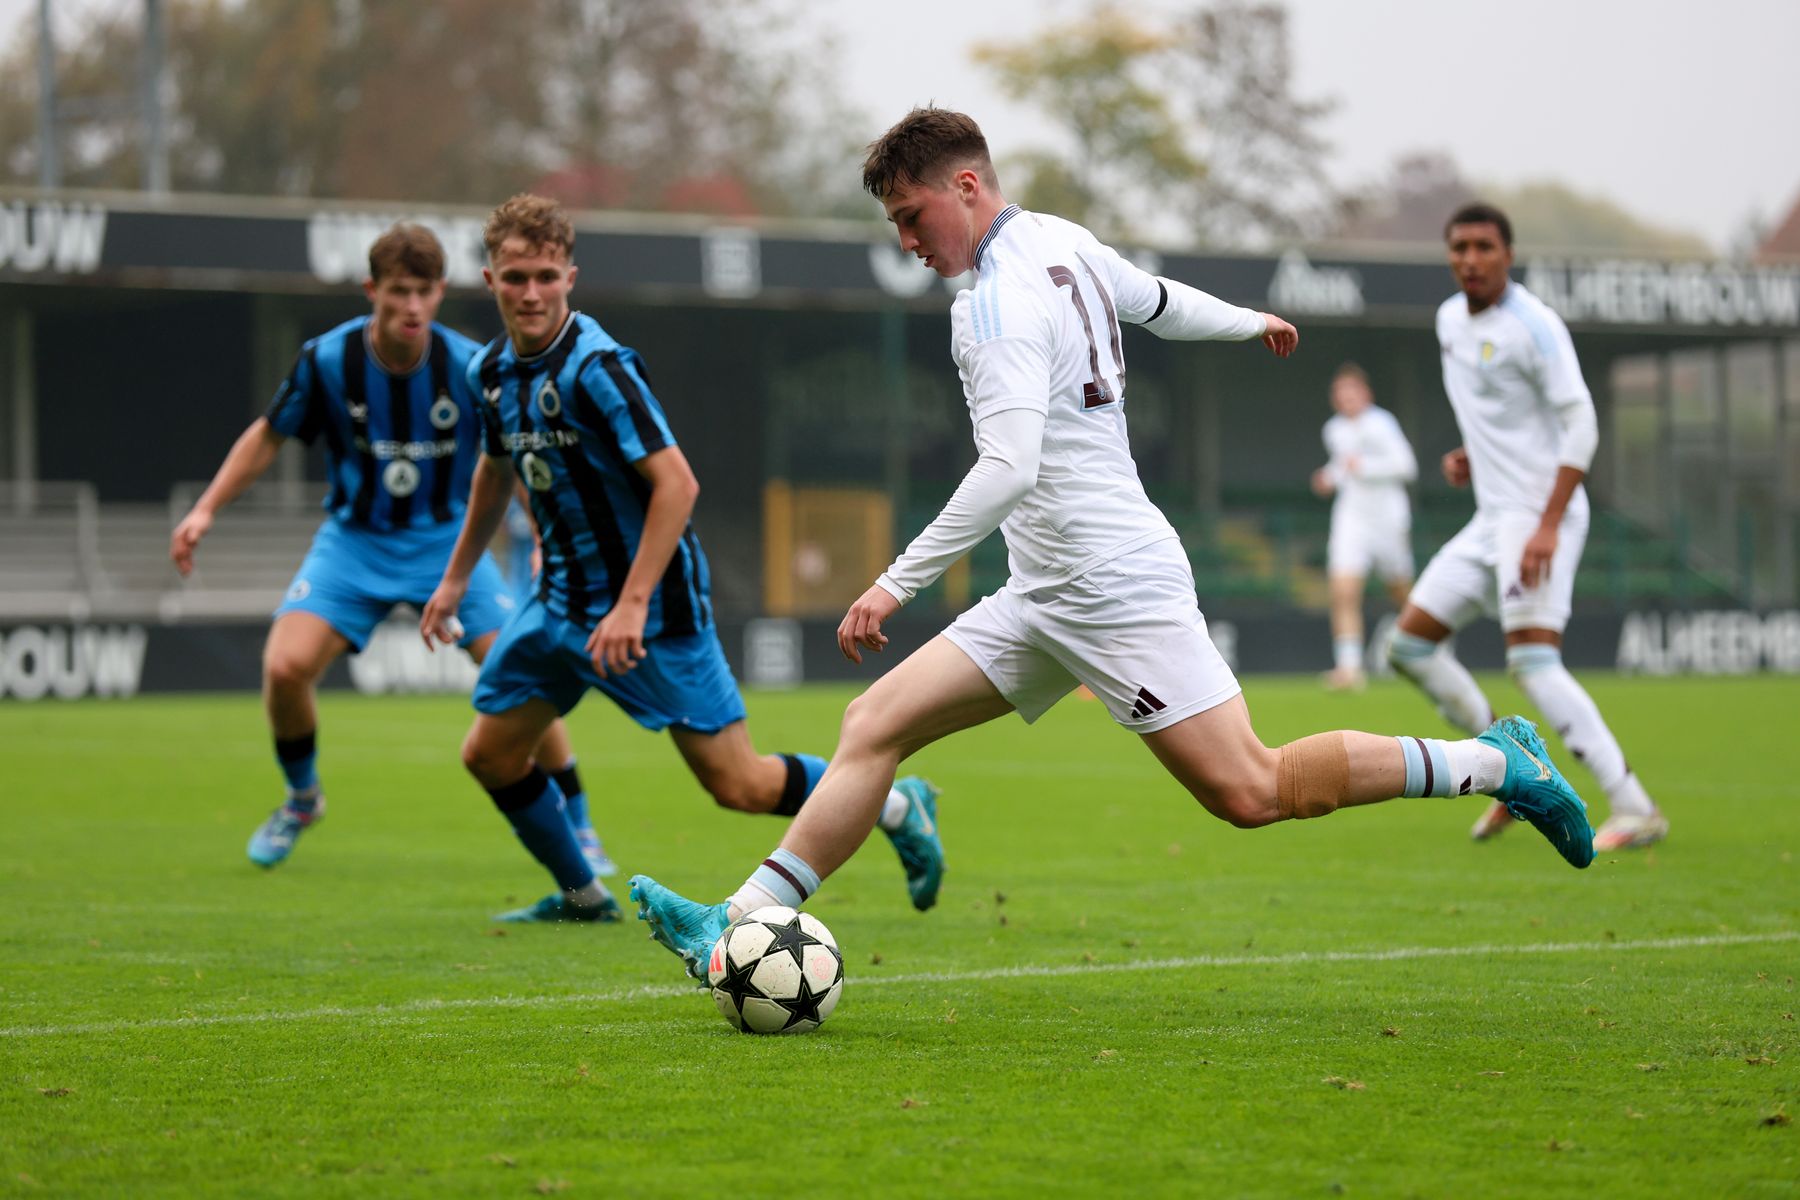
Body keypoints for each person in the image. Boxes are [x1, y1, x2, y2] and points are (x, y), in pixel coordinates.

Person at [627, 108, 1596, 980]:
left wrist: (891, 583)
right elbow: (1160, 301)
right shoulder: (1060, 239)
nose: (908, 241)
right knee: (872, 727)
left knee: (1251, 790)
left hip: (1111, 583)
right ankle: (739, 919)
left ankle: (1498, 764)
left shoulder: (993, 305)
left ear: (967, 188)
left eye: (912, 217)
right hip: (1044, 588)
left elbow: (1008, 466)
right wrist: (1248, 322)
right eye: (895, 225)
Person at [419, 194, 941, 924]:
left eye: (544, 275)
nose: (531, 292)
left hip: (654, 611)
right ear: (490, 279)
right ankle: (581, 896)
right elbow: (494, 472)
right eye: (514, 278)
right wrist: (453, 581)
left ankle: (894, 805)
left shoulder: (599, 367)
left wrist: (631, 604)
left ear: (569, 276)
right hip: (560, 602)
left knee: (741, 786)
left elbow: (677, 485)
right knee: (491, 753)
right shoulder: (490, 372)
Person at [170, 223, 605, 877]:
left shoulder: (471, 366)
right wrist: (205, 508)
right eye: (399, 291)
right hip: (354, 543)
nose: (411, 307)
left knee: (520, 672)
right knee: (285, 668)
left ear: (440, 293)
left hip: (447, 542)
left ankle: (578, 819)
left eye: (425, 292)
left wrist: (542, 538)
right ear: (373, 289)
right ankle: (302, 799)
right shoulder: (328, 360)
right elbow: (267, 436)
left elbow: (514, 457)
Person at [1385, 203, 1668, 854]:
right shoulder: (1449, 320)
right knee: (1408, 648)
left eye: (1484, 246)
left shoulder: (1535, 325)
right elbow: (1501, 415)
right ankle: (1508, 765)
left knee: (1535, 664)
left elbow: (1581, 425)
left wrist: (1546, 525)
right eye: (1459, 247)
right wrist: (1471, 454)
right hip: (1490, 518)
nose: (1470, 258)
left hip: (1543, 517)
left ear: (1508, 255)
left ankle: (1634, 806)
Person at [1310, 362, 1417, 690]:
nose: (1346, 398)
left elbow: (1406, 466)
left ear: (1365, 394)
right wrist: (1328, 477)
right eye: (1340, 393)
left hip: (1387, 519)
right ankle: (1349, 668)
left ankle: (1431, 645)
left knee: (1399, 590)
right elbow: (1342, 466)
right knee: (1343, 589)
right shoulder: (1334, 429)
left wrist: (1364, 466)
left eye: (1351, 391)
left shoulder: (1383, 423)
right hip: (1351, 518)